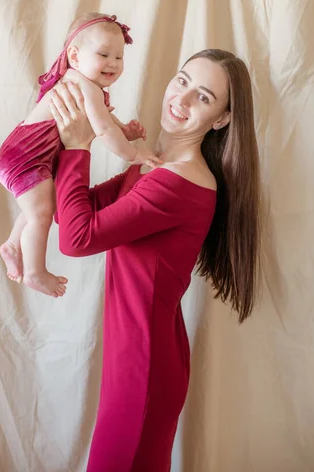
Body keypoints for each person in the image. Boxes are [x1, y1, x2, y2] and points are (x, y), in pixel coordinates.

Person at [49, 49, 261, 472]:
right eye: (182, 81)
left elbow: (76, 238)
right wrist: (72, 142)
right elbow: (71, 211)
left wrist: (78, 145)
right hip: (137, 359)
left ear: (221, 119)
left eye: (203, 97)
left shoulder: (178, 183)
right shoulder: (154, 167)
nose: (180, 101)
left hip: (142, 368)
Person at [0, 13, 160, 297]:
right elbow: (104, 130)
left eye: (119, 57)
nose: (112, 63)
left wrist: (126, 129)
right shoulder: (86, 87)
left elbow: (107, 122)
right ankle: (34, 272)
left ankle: (12, 244)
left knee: (42, 203)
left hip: (23, 154)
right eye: (104, 54)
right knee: (42, 213)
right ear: (75, 55)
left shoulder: (83, 84)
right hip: (24, 158)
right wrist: (134, 154)